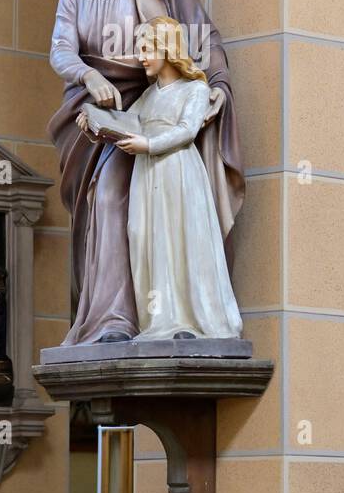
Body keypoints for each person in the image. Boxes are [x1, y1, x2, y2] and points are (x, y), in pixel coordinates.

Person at [48, 0, 244, 345]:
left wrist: (216, 81)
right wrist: (88, 77)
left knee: (142, 205)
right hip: (103, 109)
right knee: (108, 201)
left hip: (154, 102)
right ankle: (113, 320)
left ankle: (168, 316)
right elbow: (60, 51)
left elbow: (202, 34)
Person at [77, 18, 242, 341]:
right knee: (144, 238)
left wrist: (148, 145)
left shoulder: (195, 89)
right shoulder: (150, 96)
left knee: (177, 239)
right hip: (147, 174)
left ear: (167, 49)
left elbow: (187, 131)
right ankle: (157, 321)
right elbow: (126, 122)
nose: (142, 57)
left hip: (177, 174)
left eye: (147, 49)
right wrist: (95, 127)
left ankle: (185, 321)